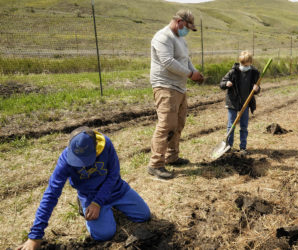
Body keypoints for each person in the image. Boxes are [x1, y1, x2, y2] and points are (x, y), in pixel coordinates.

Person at [18, 127, 151, 250]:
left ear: (96, 149)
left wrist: (98, 203)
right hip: (90, 194)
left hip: (116, 189)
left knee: (144, 215)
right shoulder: (65, 160)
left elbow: (113, 175)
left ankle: (107, 207)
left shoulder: (106, 145)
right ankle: (84, 206)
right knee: (105, 234)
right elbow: (51, 193)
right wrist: (35, 237)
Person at [148, 9, 203, 179]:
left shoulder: (180, 39)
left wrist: (195, 72)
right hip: (165, 86)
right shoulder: (162, 37)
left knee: (178, 124)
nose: (187, 31)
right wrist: (189, 74)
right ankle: (156, 164)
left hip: (179, 87)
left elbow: (186, 60)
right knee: (166, 125)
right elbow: (167, 61)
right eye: (187, 27)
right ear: (179, 21)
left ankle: (172, 157)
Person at [219, 51, 260, 155]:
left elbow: (257, 89)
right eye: (242, 64)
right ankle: (229, 146)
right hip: (232, 102)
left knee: (244, 126)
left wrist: (257, 88)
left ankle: (243, 147)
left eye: (246, 65)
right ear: (239, 62)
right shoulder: (233, 72)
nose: (244, 67)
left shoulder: (254, 73)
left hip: (245, 103)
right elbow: (221, 83)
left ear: (250, 63)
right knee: (231, 125)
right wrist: (226, 83)